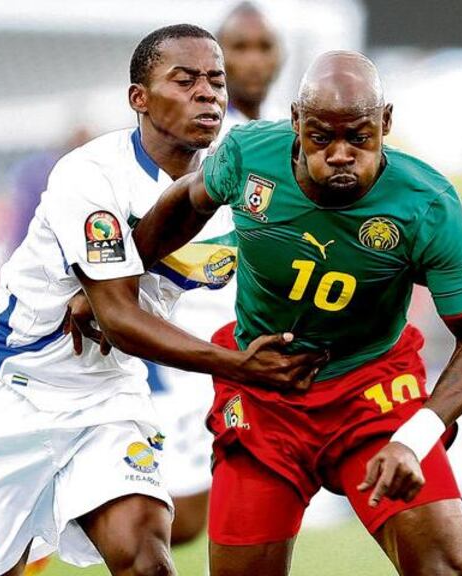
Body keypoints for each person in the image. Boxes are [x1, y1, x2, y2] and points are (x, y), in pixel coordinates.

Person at [0, 24, 323, 576]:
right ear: (138, 99)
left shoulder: (239, 179)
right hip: (14, 395)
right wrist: (243, 366)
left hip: (110, 396)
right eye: (185, 79)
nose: (208, 93)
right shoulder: (90, 176)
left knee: (148, 559)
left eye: (215, 81)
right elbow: (116, 316)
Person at [131, 51, 462, 575]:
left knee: (445, 566)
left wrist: (418, 434)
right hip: (264, 392)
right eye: (320, 137)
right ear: (295, 123)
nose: (339, 154)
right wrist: (117, 281)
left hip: (371, 390)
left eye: (359, 136)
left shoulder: (427, 203)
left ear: (386, 123)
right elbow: (188, 199)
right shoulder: (247, 156)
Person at [147, 0, 284, 546]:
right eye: (239, 49)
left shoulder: (273, 137)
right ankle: (33, 529)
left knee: (189, 522)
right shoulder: (196, 135)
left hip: (238, 344)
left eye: (263, 47)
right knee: (167, 518)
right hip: (182, 344)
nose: (252, 61)